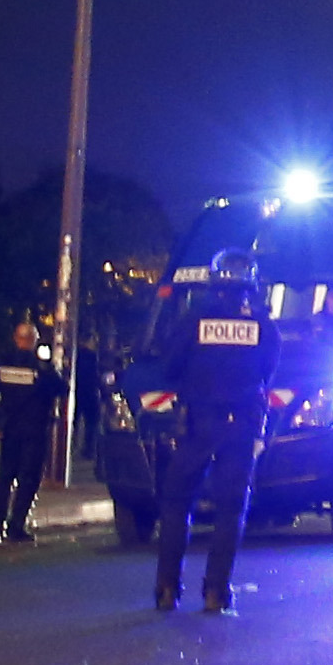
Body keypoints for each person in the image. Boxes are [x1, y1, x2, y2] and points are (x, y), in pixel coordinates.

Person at [143, 245, 277, 611]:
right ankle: (217, 591)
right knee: (231, 509)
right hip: (242, 425)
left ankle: (167, 588)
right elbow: (268, 371)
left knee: (176, 504)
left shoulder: (193, 319)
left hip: (197, 423)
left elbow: (170, 367)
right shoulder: (262, 323)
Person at [0, 314, 61, 542]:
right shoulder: (41, 367)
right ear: (33, 340)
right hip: (34, 430)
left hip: (10, 429)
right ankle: (16, 526)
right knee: (28, 479)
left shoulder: (2, 363)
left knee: (5, 477)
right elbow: (61, 388)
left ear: (15, 338)